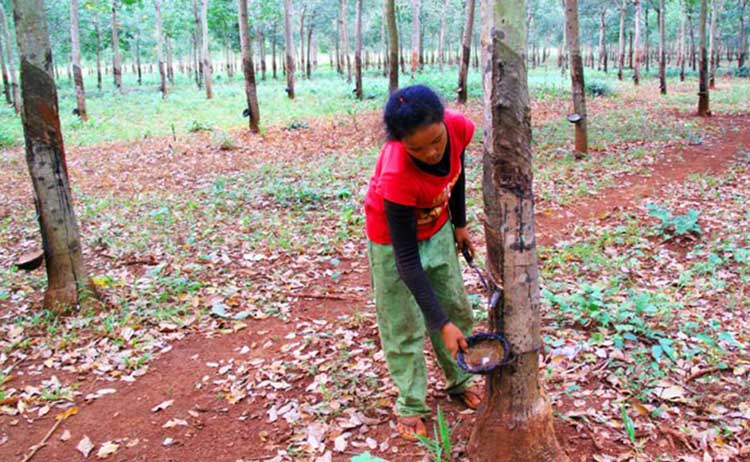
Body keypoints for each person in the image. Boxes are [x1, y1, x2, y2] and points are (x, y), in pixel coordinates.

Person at [364, 84, 482, 441]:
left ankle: (459, 379)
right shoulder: (397, 174)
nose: (431, 153)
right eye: (417, 148)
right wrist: (439, 324)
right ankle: (411, 403)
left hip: (439, 224)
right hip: (392, 241)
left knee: (455, 307)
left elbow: (456, 173)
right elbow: (407, 263)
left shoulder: (459, 128)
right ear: (402, 144)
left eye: (436, 141)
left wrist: (459, 223)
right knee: (403, 324)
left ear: (444, 122)